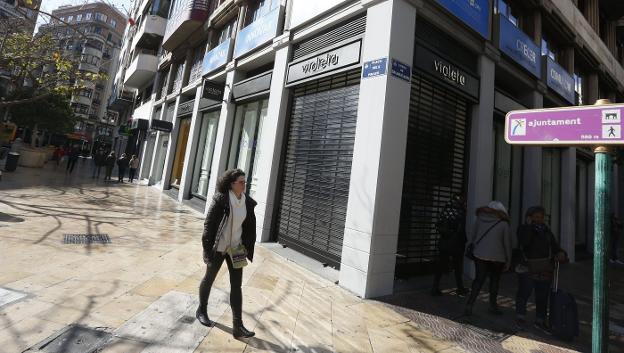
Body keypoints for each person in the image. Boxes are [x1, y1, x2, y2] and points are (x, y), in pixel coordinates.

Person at [197, 169, 257, 339]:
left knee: (236, 286)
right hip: (219, 247)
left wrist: (246, 247)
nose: (244, 184)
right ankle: (201, 310)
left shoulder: (247, 202)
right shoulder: (221, 199)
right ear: (231, 184)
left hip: (236, 249)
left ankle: (238, 326)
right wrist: (207, 248)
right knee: (209, 278)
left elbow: (249, 228)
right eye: (241, 182)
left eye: (245, 181)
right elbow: (208, 225)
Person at [515, 206, 566, 332]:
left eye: (541, 217)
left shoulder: (547, 232)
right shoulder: (523, 229)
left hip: (544, 268)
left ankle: (540, 320)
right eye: (536, 217)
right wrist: (528, 227)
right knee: (524, 293)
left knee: (542, 296)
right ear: (529, 217)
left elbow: (554, 246)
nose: (539, 219)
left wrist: (561, 253)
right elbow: (524, 242)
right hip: (527, 267)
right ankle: (520, 317)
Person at [464, 201, 512, 316]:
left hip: (479, 255)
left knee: (478, 280)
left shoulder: (479, 219)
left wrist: (470, 247)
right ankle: (492, 306)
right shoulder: (503, 224)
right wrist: (508, 260)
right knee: (494, 281)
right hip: (497, 258)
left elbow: (473, 236)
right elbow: (507, 244)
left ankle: (469, 304)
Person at [432, 193, 468, 296]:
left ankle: (434, 287)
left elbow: (438, 223)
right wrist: (463, 241)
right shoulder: (460, 211)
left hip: (444, 242)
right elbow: (461, 229)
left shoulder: (445, 209)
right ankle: (460, 288)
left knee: (440, 265)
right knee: (457, 266)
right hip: (456, 243)